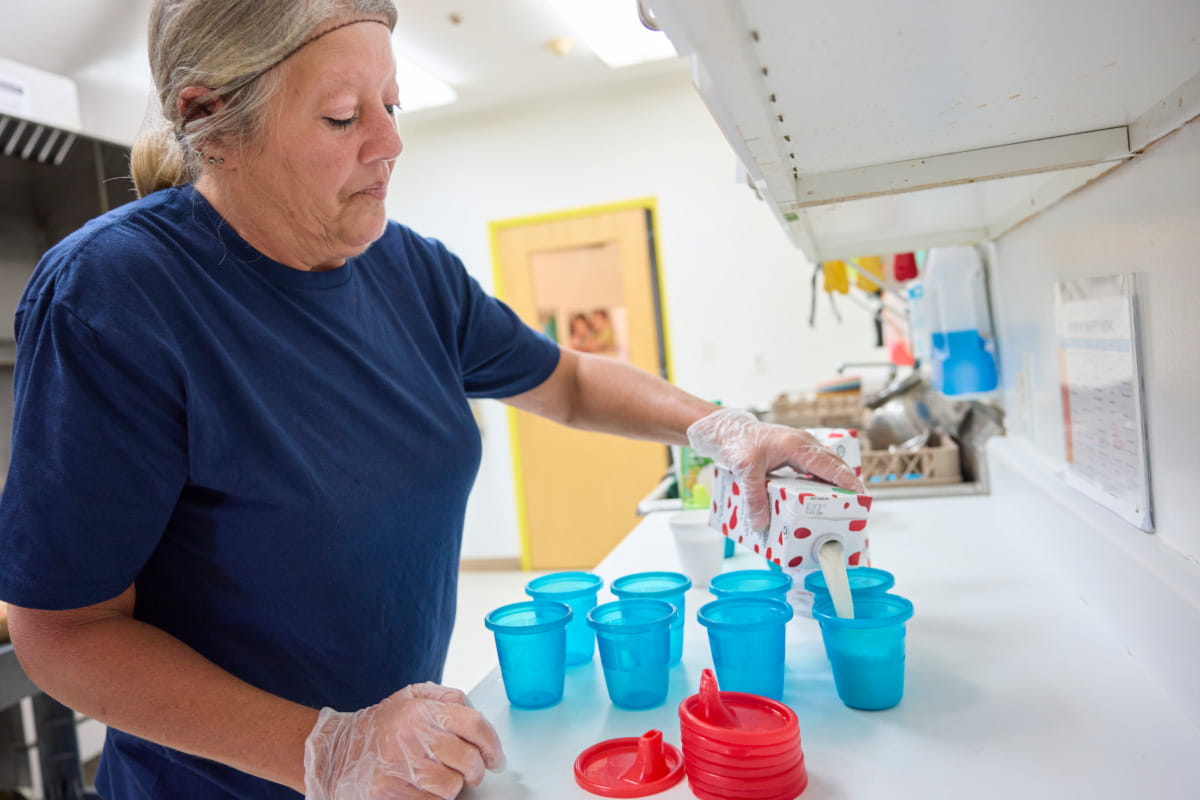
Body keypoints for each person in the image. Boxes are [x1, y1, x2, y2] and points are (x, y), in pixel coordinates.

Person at [0, 1, 864, 798]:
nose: (388, 142)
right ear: (207, 122)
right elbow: (61, 631)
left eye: (392, 104)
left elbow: (564, 379)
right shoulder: (117, 295)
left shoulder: (406, 269)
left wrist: (721, 428)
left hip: (398, 774)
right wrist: (323, 750)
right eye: (343, 116)